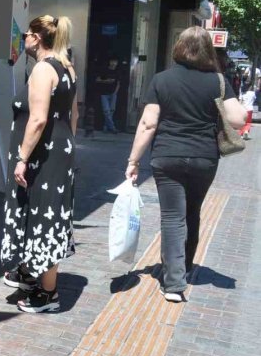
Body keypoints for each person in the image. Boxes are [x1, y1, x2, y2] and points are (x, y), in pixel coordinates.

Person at [125, 27, 246, 302]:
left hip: (167, 156)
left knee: (172, 217)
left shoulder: (162, 80)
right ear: (208, 51)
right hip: (205, 158)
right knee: (192, 212)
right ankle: (185, 267)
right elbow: (238, 119)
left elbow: (148, 123)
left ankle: (174, 282)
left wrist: (133, 161)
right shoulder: (218, 81)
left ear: (178, 48)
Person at [1, 15, 78, 313]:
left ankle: (48, 294)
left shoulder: (44, 70)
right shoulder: (67, 68)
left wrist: (22, 158)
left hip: (40, 156)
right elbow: (74, 116)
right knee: (45, 213)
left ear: (36, 38)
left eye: (26, 35)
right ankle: (33, 274)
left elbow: (38, 118)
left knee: (43, 215)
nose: (24, 41)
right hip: (58, 151)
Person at [95, 57, 121, 134]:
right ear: (110, 62)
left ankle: (106, 127)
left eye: (115, 62)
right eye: (112, 61)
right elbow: (97, 79)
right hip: (104, 93)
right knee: (106, 111)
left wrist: (115, 92)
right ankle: (112, 128)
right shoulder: (105, 71)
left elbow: (118, 83)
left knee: (111, 111)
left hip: (113, 93)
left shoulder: (117, 72)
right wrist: (107, 81)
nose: (114, 63)